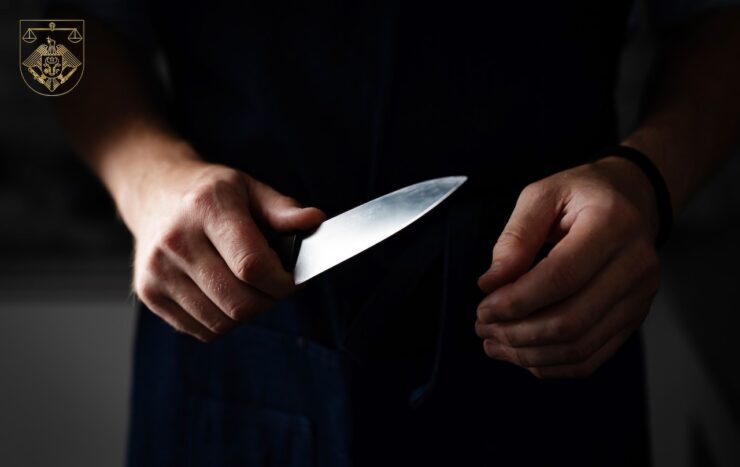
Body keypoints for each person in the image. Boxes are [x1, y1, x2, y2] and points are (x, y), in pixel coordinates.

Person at [52, 1, 740, 466]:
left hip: (554, 345)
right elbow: (46, 36)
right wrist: (149, 179)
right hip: (231, 357)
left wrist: (646, 181)